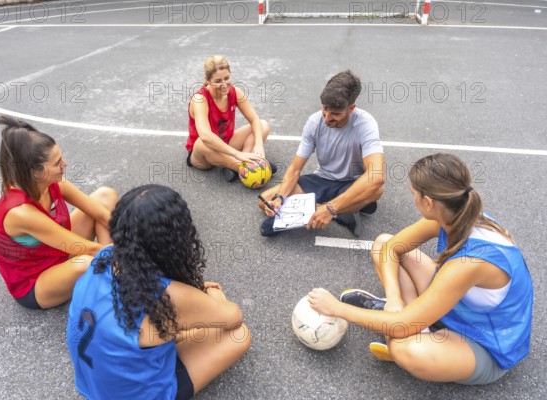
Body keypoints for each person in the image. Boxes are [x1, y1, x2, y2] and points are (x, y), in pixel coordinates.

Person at [308, 153, 533, 385]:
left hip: (486, 344)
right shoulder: (456, 214)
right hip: (458, 307)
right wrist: (394, 298)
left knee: (404, 348)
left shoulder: (470, 263)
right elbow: (392, 248)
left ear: (428, 202)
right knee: (382, 244)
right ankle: (405, 314)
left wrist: (335, 308)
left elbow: (404, 325)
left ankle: (409, 325)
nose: (413, 199)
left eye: (414, 194)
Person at [66, 184, 251, 400]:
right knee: (240, 335)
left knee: (162, 328)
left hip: (91, 386)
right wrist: (214, 297)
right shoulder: (166, 295)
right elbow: (233, 318)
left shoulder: (103, 256)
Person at [0, 115, 117, 310]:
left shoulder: (51, 183)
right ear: (35, 172)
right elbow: (89, 249)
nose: (64, 164)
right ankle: (116, 274)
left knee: (105, 196)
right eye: (57, 163)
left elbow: (100, 213)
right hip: (35, 283)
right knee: (85, 262)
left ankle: (113, 274)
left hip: (56, 252)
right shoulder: (20, 213)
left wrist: (130, 234)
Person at [257, 70, 384, 237]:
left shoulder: (366, 124)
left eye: (336, 114)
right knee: (264, 199)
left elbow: (376, 176)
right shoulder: (314, 122)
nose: (327, 118)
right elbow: (295, 169)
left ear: (351, 108)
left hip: (352, 182)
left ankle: (328, 209)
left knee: (376, 190)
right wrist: (280, 198)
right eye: (325, 109)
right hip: (323, 178)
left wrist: (330, 209)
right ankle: (343, 212)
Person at [186, 54, 275, 182]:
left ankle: (237, 163)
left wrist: (259, 144)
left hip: (226, 143)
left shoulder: (236, 92)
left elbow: (254, 119)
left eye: (226, 78)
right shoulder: (200, 99)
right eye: (218, 81)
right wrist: (236, 154)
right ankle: (248, 166)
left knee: (263, 125)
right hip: (203, 154)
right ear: (207, 79)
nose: (224, 84)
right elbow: (205, 136)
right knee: (201, 142)